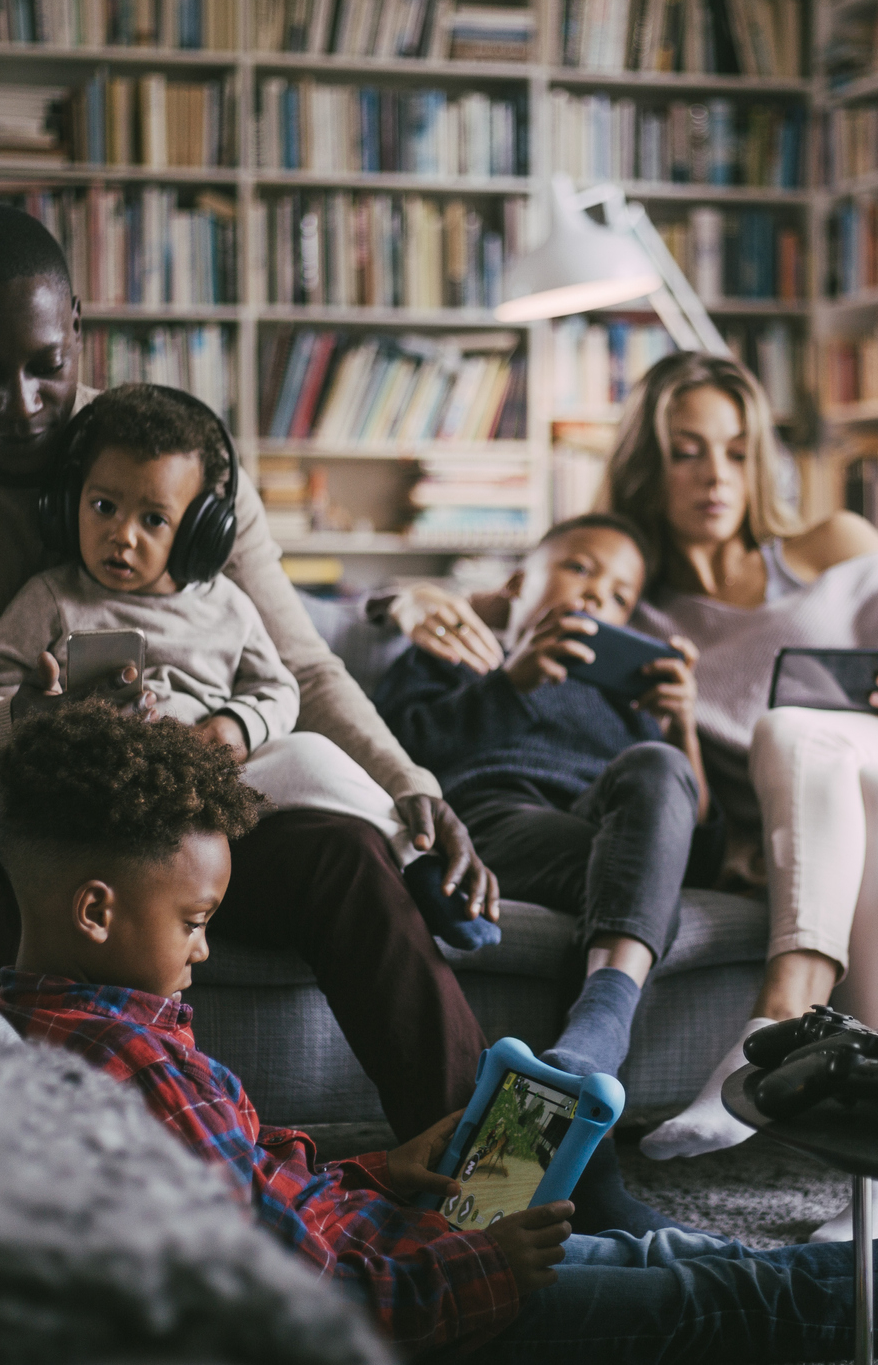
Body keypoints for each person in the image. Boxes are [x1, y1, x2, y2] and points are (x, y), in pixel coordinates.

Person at [0, 700, 878, 1363]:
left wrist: (380, 1163)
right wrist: (476, 1265)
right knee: (707, 1299)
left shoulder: (96, 1028)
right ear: (97, 907)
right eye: (194, 922)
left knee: (672, 1252)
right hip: (420, 1300)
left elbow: (235, 1186)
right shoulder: (115, 1060)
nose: (202, 948)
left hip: (391, 1228)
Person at [0, 203, 493, 1140]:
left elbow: (299, 669)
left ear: (77, 324)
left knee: (347, 856)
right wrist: (14, 729)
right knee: (60, 877)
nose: (25, 404)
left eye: (46, 366)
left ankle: (503, 1185)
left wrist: (410, 788)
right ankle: (130, 1212)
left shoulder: (174, 474)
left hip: (170, 799)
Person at [386, 352, 878, 1241]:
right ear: (646, 465)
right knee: (873, 785)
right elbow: (494, 600)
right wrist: (402, 602)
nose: (716, 475)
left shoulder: (834, 542)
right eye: (686, 451)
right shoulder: (633, 613)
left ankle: (779, 1019)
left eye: (738, 451)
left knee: (794, 732)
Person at [0, 382, 471, 942]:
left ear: (200, 533)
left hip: (210, 777)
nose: (122, 535)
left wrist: (236, 725)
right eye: (103, 507)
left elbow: (279, 688)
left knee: (313, 756)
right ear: (69, 502)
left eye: (153, 520)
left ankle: (421, 867)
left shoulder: (227, 604)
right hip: (85, 774)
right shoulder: (51, 597)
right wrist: (40, 714)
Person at [373, 513, 714, 1233]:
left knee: (656, 770)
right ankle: (599, 1070)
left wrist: (679, 723)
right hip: (498, 818)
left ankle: (588, 1044)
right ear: (519, 584)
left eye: (621, 596)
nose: (596, 597)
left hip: (601, 832)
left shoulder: (624, 699)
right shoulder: (459, 646)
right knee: (632, 883)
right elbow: (401, 747)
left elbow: (684, 812)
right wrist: (512, 680)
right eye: (579, 568)